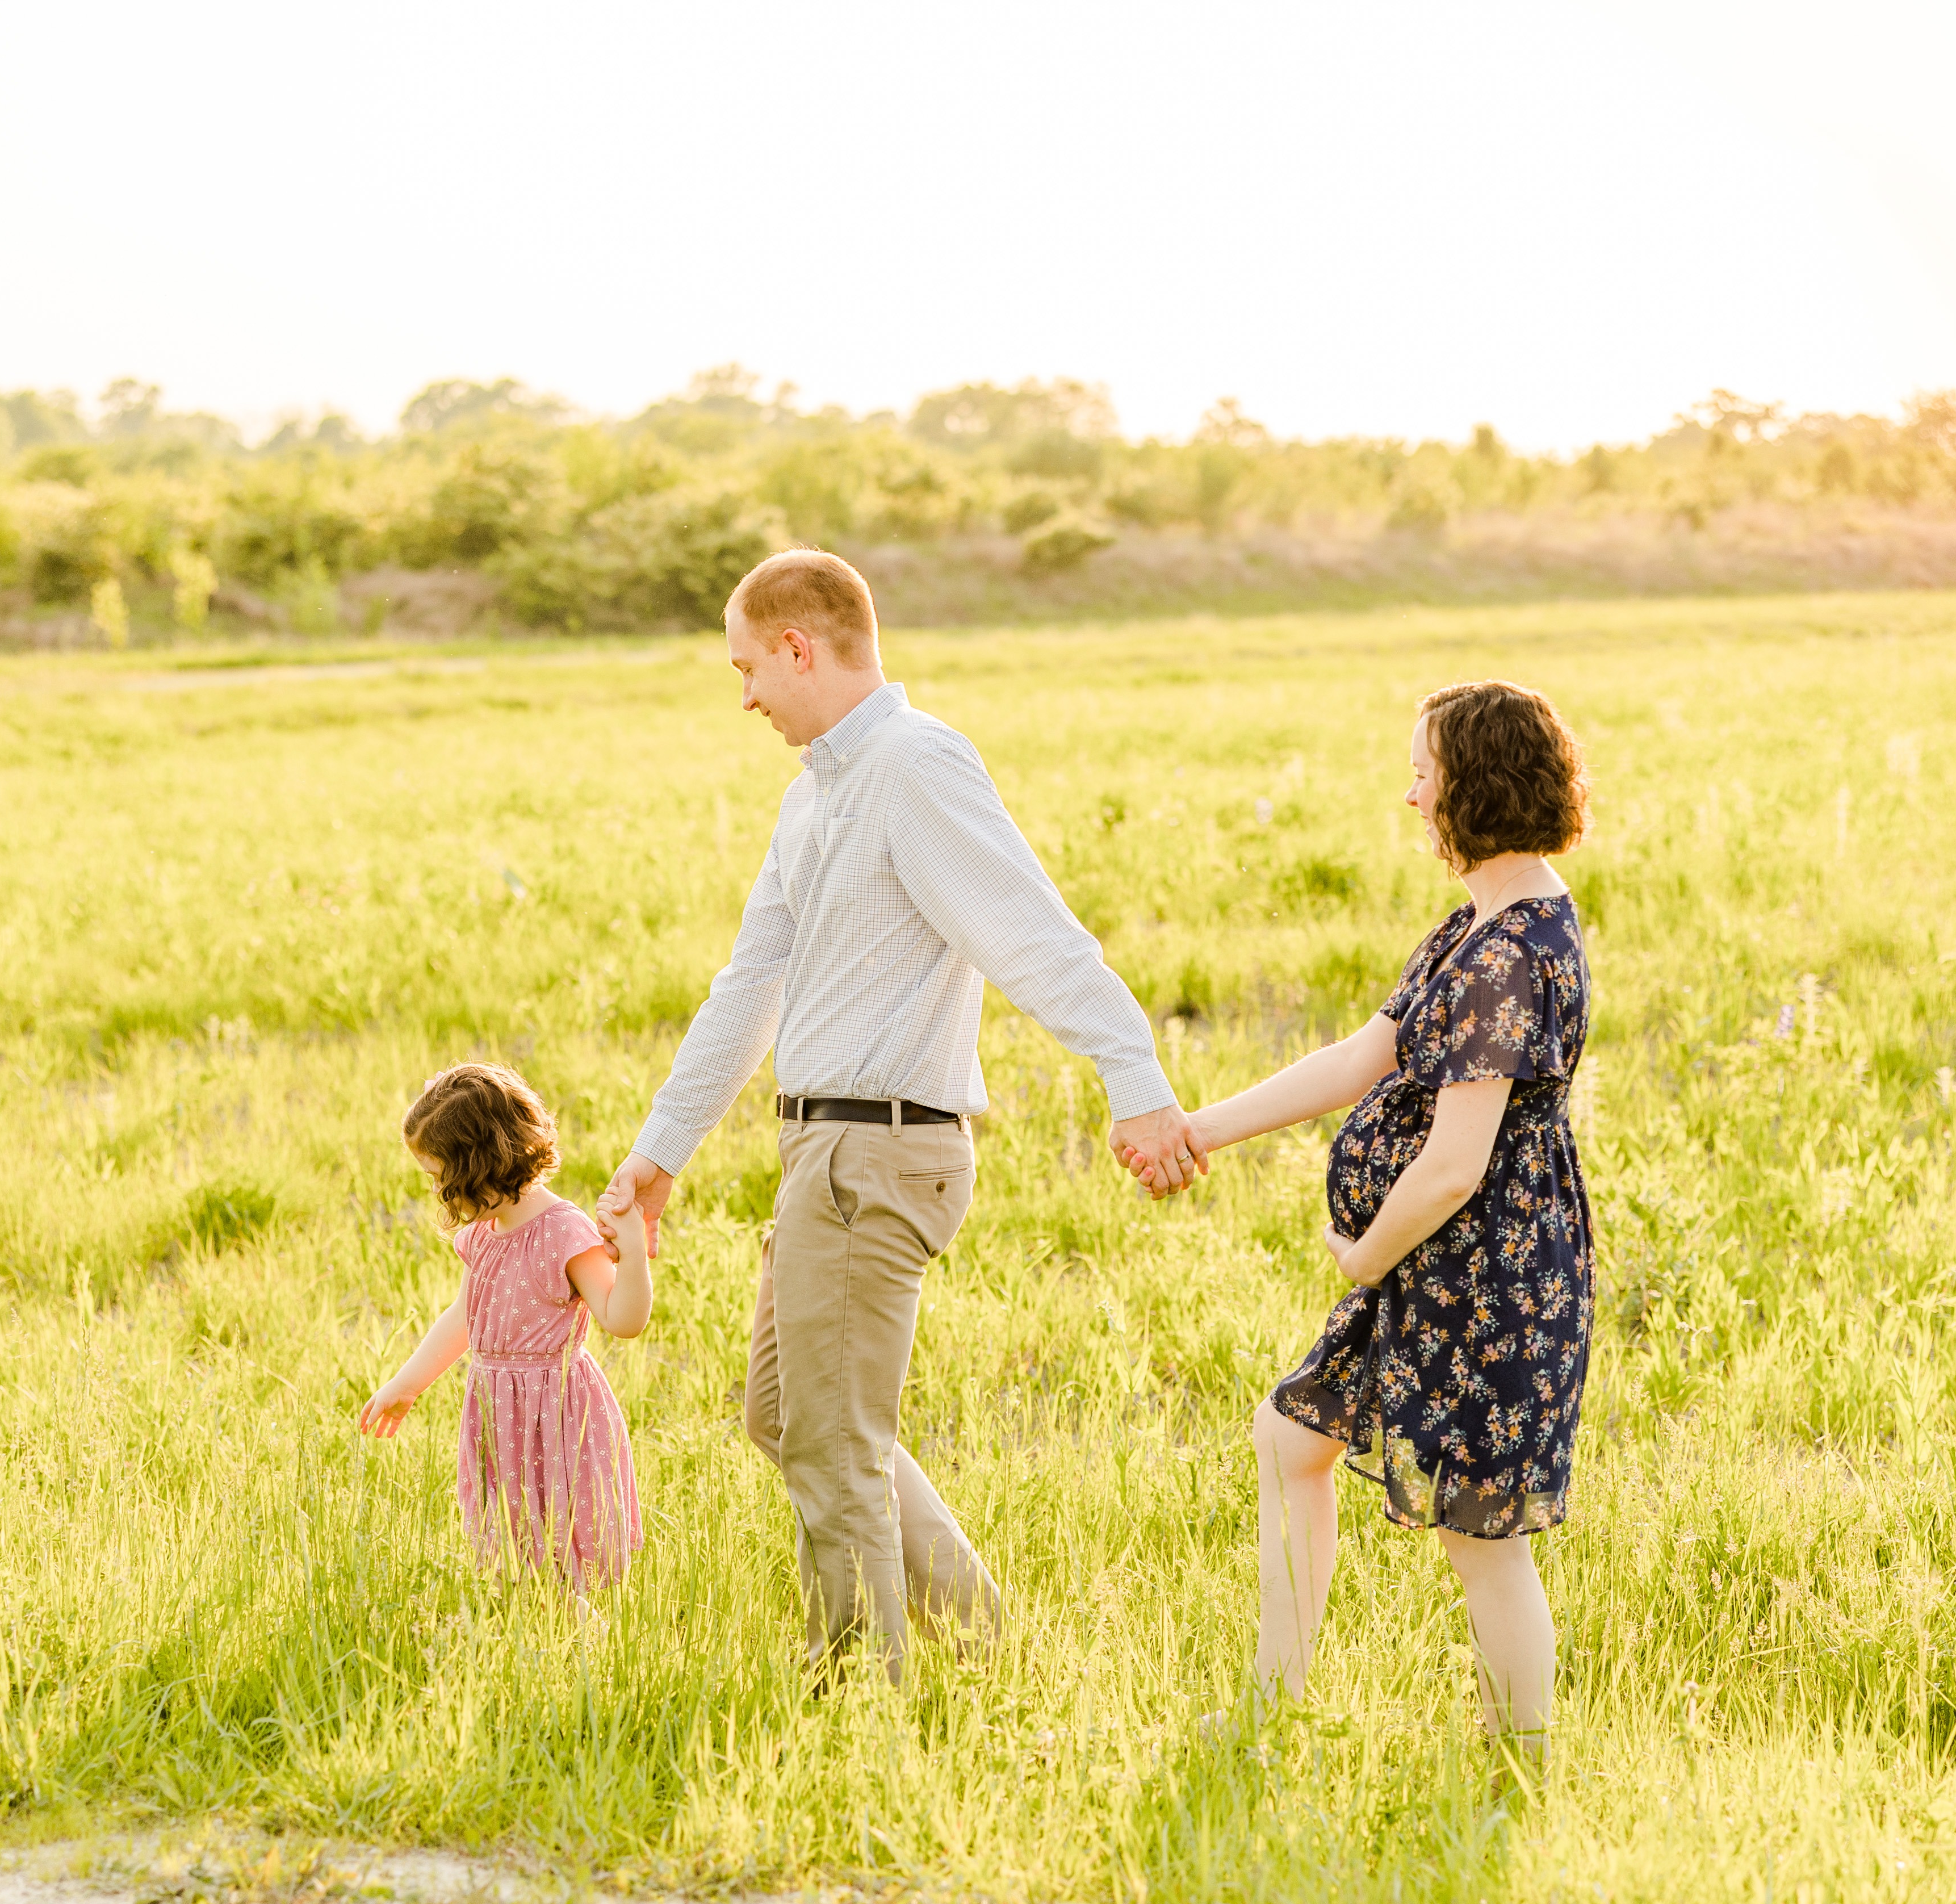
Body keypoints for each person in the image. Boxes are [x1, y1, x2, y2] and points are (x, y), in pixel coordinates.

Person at [594, 548, 1201, 1685]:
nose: (745, 700)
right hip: (824, 1145)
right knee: (787, 1417)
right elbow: (750, 983)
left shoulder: (916, 765)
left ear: (799, 646)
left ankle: (855, 1698)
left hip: (880, 1145)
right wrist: (660, 1153)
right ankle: (982, 1640)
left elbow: (1028, 930)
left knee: (834, 1443)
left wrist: (1137, 1076)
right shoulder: (816, 792)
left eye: (747, 670)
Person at [1181, 679, 1594, 1771]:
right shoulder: (1479, 923)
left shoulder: (1512, 952)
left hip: (1481, 1276)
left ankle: (1519, 1767)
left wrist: (1362, 1253)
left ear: (1476, 785)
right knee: (1290, 1440)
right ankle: (1273, 1709)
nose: (1410, 796)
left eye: (1424, 772)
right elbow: (1360, 1059)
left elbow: (1455, 1166)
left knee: (1479, 1537)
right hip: (1437, 1271)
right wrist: (1198, 1129)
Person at [359, 1063, 652, 1593]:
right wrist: (406, 1385)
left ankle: (581, 1642)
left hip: (558, 1412)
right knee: (511, 1548)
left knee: (568, 1541)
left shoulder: (564, 1231)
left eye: (438, 1177)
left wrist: (633, 1252)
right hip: (500, 1411)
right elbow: (464, 1318)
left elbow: (622, 1320)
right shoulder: (484, 1233)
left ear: (476, 1167)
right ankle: (527, 1634)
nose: (438, 1192)